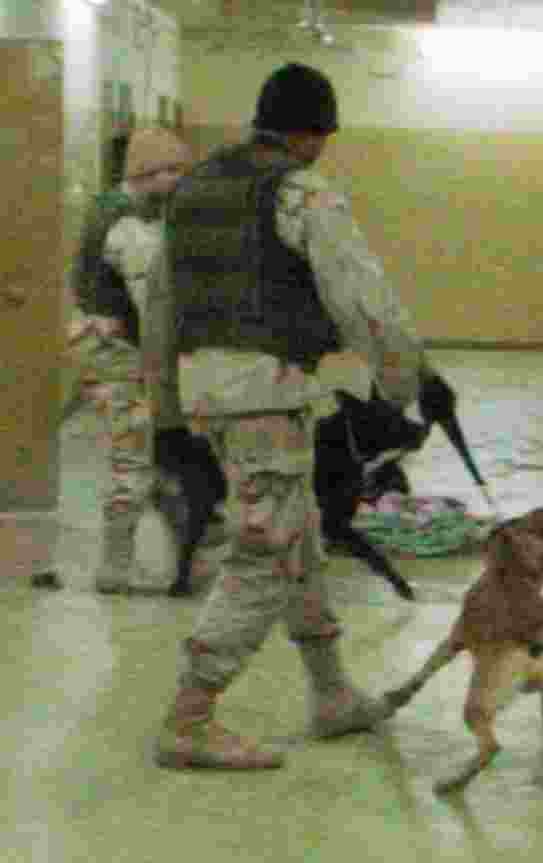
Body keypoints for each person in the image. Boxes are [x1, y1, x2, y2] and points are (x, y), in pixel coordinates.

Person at [144, 63, 429, 769]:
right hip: (264, 393)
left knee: (297, 538)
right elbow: (362, 299)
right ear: (312, 133)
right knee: (264, 551)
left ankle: (331, 694)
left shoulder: (193, 189)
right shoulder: (301, 192)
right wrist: (403, 382)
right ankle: (190, 716)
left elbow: (161, 303)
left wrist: (166, 408)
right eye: (324, 136)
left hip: (208, 389)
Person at [63, 126, 193, 594]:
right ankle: (115, 567)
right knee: (133, 456)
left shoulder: (109, 207)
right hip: (117, 353)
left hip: (100, 346)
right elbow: (149, 301)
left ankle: (181, 543)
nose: (179, 181)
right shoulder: (126, 222)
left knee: (143, 453)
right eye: (173, 171)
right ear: (147, 172)